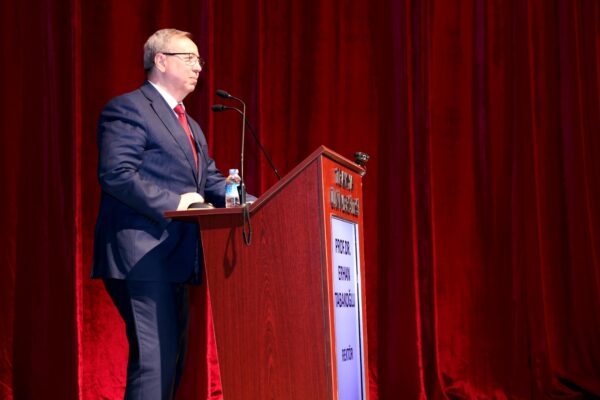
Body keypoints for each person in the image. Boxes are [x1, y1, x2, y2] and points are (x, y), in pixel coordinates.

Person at [92, 28, 227, 399]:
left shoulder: (190, 125)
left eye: (199, 60)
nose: (199, 67)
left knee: (170, 365)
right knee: (155, 367)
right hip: (143, 255)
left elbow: (211, 181)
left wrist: (254, 201)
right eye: (190, 58)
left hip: (176, 259)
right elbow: (117, 174)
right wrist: (176, 202)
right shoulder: (129, 108)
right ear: (161, 61)